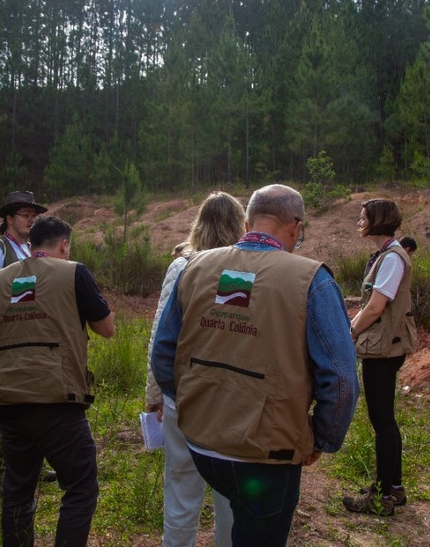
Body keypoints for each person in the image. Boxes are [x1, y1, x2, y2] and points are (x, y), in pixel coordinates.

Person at [151, 184, 358, 546]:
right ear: (296, 226)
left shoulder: (194, 267)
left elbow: (164, 355)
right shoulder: (314, 281)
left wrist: (190, 405)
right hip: (268, 457)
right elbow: (341, 380)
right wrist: (321, 439)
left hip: (202, 446)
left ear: (248, 223)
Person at [0, 215, 115, 547]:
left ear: (31, 245)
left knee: (17, 490)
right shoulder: (74, 271)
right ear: (64, 245)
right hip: (57, 399)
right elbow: (106, 329)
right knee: (80, 485)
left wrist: (9, 361)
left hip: (7, 400)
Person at [145, 191, 244, 547]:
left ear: (198, 224)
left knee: (181, 492)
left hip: (184, 396)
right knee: (231, 495)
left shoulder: (183, 266)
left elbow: (161, 336)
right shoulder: (249, 269)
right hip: (233, 397)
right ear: (240, 224)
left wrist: (154, 394)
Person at [0, 190, 49, 493]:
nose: (31, 219)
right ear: (8, 218)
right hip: (1, 342)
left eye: (34, 214)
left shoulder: (30, 249)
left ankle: (32, 468)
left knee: (33, 404)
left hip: (29, 339)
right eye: (25, 214)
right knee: (0, 409)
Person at [344, 198, 416, 516]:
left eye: (363, 217)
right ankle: (393, 487)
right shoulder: (386, 255)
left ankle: (384, 496)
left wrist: (349, 334)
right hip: (382, 346)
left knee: (383, 422)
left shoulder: (392, 258)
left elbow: (375, 307)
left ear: (377, 220)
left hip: (383, 349)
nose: (359, 221)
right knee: (383, 420)